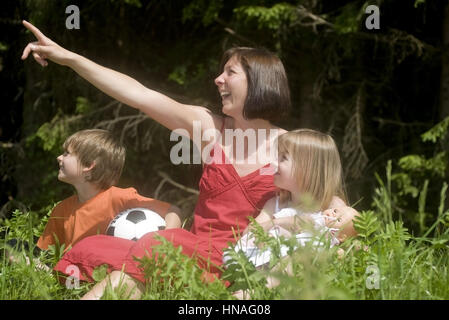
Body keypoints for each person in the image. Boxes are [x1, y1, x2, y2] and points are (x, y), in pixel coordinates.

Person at [21, 21, 356, 299]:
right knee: (92, 248)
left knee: (156, 246)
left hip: (241, 266)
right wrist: (70, 59)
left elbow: (337, 212)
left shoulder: (292, 148)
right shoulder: (210, 128)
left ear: (259, 82)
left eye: (230, 73)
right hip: (192, 251)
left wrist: (330, 232)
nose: (218, 79)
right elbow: (139, 95)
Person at [6, 129, 181, 269]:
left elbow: (174, 210)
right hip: (69, 275)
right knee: (13, 245)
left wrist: (160, 246)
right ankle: (46, 277)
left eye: (67, 153)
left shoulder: (119, 197)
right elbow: (44, 253)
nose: (59, 157)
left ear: (89, 165)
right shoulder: (61, 210)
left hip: (108, 272)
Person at [224, 129, 359, 270]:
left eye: (283, 158)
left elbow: (347, 238)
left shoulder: (332, 205)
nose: (273, 162)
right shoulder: (276, 204)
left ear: (307, 167)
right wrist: (282, 222)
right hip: (267, 265)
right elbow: (249, 233)